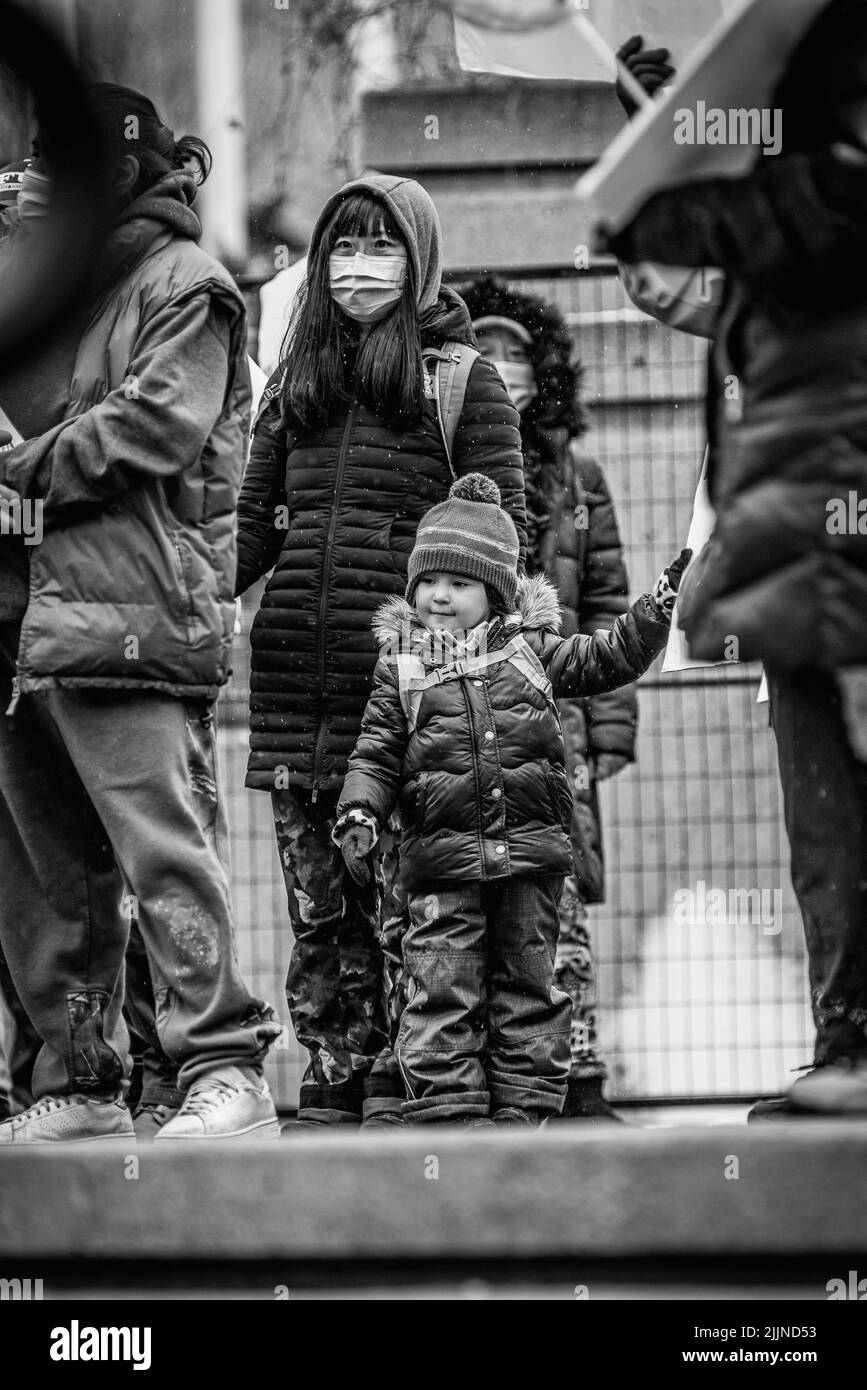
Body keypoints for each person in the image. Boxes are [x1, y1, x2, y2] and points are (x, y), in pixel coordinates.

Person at [0, 84, 281, 1146]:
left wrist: (15, 473)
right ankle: (75, 1081)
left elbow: (152, 430)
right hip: (23, 619)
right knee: (44, 874)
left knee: (162, 853)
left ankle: (225, 1066)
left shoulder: (186, 283)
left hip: (133, 611)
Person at [602, 2, 867, 1117]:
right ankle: (850, 1043)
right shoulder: (779, 206)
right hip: (805, 552)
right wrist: (664, 137)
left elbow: (811, 214)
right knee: (828, 822)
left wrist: (703, 154)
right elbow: (671, 267)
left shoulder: (816, 192)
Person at [235, 174, 527, 1127]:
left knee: (416, 908)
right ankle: (333, 1077)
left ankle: (415, 1086)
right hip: (290, 687)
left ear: (420, 258)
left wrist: (450, 660)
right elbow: (248, 527)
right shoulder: (296, 378)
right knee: (321, 913)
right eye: (342, 250)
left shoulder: (461, 379)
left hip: (411, 702)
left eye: (381, 248)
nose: (357, 270)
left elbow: (503, 540)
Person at [332, 473, 689, 1125]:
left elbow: (606, 657)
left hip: (530, 860)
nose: (440, 595)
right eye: (429, 581)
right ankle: (448, 1110)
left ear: (494, 595)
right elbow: (374, 754)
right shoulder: (401, 670)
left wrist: (654, 610)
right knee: (441, 986)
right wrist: (359, 810)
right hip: (440, 867)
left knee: (527, 987)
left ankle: (524, 1110)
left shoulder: (532, 653)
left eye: (460, 583)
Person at [460, 275, 636, 1121]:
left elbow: (608, 601)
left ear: (546, 369)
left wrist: (609, 724)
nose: (500, 365)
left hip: (559, 716)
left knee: (558, 890)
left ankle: (576, 1076)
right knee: (468, 893)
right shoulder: (448, 457)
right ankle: (487, 1081)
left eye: (516, 352)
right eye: (483, 348)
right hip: (462, 711)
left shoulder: (577, 473)